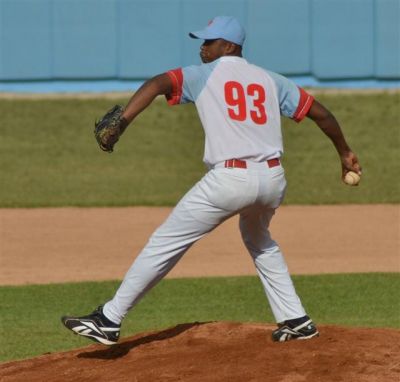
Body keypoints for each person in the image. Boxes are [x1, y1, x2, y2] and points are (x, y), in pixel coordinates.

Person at [61, 16, 361, 345]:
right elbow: (322, 114)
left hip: (230, 180)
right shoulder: (270, 79)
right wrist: (344, 152)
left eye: (209, 41)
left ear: (229, 46)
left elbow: (159, 83)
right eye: (202, 41)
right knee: (258, 238)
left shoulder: (203, 75)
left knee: (166, 241)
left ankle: (109, 318)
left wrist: (123, 122)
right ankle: (296, 319)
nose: (202, 47)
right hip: (273, 178)